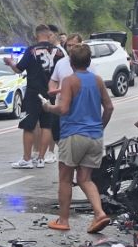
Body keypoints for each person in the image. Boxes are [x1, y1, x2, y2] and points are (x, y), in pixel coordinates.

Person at [44, 43, 114, 232]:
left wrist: (49, 108)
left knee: (65, 179)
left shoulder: (69, 81)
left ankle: (64, 221)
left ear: (71, 62)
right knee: (85, 179)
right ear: (89, 61)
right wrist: (99, 126)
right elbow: (109, 107)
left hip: (73, 135)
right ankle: (99, 213)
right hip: (95, 137)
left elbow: (64, 108)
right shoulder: (98, 80)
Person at [6, 24, 62, 168]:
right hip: (51, 92)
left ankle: (27, 159)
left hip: (33, 92)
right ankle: (42, 159)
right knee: (46, 126)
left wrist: (11, 63)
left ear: (36, 35)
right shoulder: (58, 52)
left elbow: (19, 69)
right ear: (49, 35)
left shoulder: (31, 50)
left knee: (28, 125)